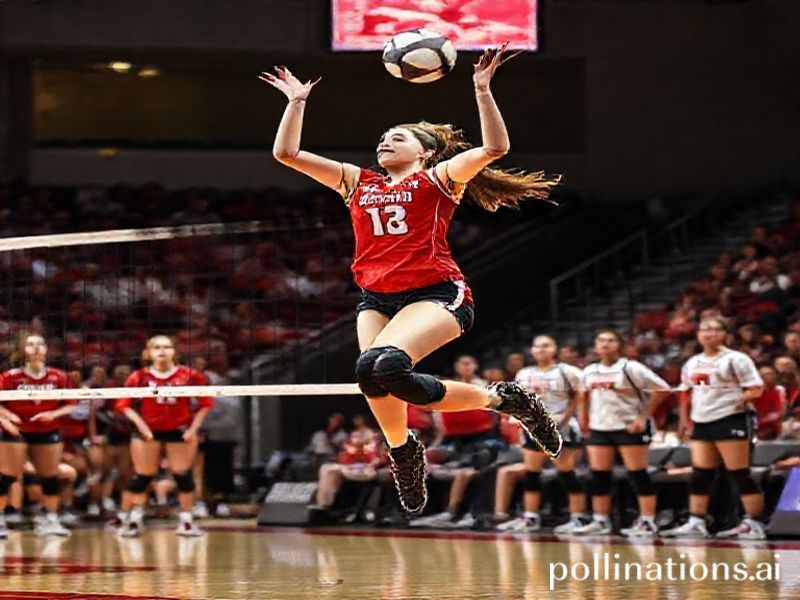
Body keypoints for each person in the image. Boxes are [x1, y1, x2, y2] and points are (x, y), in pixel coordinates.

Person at [261, 44, 562, 513]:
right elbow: (287, 153)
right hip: (377, 296)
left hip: (435, 293)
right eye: (382, 137)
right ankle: (409, 449)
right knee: (371, 374)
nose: (384, 142)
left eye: (397, 138)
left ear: (425, 152)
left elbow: (495, 148)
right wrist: (296, 101)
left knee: (384, 364)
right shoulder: (358, 182)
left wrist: (482, 90)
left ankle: (497, 402)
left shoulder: (439, 179)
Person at [661, 317, 766, 539]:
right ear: (698, 334)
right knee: (701, 474)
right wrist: (685, 422)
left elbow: (756, 388)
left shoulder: (736, 359)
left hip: (730, 419)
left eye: (715, 329)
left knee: (739, 473)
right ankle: (696, 521)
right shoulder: (692, 362)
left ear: (725, 334)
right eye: (705, 329)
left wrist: (737, 400)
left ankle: (753, 522)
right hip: (702, 420)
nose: (709, 333)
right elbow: (685, 393)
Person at [573, 330, 671, 537]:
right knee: (599, 476)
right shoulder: (590, 371)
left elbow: (662, 389)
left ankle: (647, 520)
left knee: (638, 474)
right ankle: (601, 520)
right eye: (601, 340)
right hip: (600, 427)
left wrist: (643, 417)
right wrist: (584, 420)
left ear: (619, 345)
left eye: (610, 340)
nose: (605, 344)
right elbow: (583, 396)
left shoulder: (631, 367)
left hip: (629, 427)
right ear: (595, 345)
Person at [114, 335, 213, 537]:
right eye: (157, 347)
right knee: (142, 477)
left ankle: (186, 521)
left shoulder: (190, 375)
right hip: (148, 431)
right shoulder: (139, 376)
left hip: (178, 430)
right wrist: (142, 426)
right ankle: (133, 519)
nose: (162, 351)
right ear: (148, 353)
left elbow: (206, 404)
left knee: (183, 477)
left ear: (175, 351)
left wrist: (192, 429)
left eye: (167, 347)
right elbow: (123, 405)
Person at [495, 334, 586, 533]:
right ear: (532, 350)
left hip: (560, 429)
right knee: (531, 474)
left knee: (567, 473)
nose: (541, 349)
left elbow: (580, 395)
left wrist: (565, 416)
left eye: (546, 346)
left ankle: (578, 517)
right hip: (533, 428)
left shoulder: (567, 371)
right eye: (537, 346)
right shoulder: (524, 373)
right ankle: (531, 517)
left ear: (555, 349)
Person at [0, 332, 77, 538]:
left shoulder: (58, 376)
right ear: (22, 350)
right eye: (30, 344)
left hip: (46, 431)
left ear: (46, 350)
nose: (36, 348)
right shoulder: (10, 377)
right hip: (17, 431)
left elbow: (72, 404)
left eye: (40, 344)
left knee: (50, 478)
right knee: (7, 478)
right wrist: (6, 417)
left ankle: (50, 520)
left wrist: (53, 414)